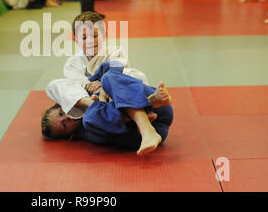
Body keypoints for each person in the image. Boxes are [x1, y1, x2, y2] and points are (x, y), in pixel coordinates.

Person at [42, 64, 174, 155]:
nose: (68, 118)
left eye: (61, 113)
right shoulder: (89, 131)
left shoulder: (82, 91)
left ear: (61, 104)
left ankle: (145, 120)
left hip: (160, 106)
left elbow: (116, 66)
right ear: (70, 136)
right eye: (64, 125)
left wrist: (101, 89)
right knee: (89, 119)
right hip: (157, 130)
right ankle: (144, 113)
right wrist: (102, 100)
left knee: (108, 77)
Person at [46, 11, 150, 118]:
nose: (90, 41)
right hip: (90, 98)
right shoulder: (72, 63)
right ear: (76, 40)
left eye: (95, 35)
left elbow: (120, 72)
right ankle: (96, 106)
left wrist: (103, 84)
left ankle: (126, 110)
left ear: (104, 35)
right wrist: (87, 85)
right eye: (84, 38)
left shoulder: (115, 51)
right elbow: (73, 81)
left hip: (115, 93)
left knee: (135, 75)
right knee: (54, 85)